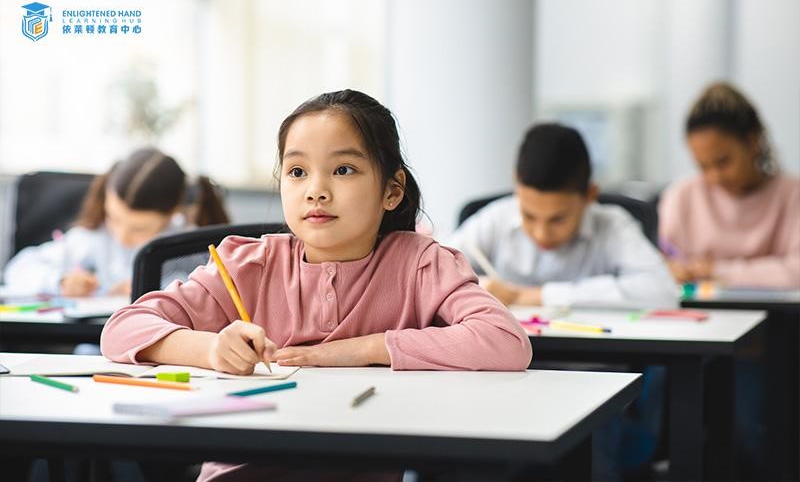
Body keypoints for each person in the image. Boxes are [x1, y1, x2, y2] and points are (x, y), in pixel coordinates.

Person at [100, 89, 532, 481]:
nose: (316, 191)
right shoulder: (247, 264)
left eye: (343, 170)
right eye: (297, 171)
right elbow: (123, 328)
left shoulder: (420, 263)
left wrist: (359, 350)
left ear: (392, 190)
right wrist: (211, 349)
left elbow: (504, 340)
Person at [447, 122, 677, 308]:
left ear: (590, 194)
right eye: (528, 215)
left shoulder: (613, 225)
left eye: (557, 219)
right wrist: (481, 287)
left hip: (595, 356)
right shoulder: (496, 218)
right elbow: (437, 275)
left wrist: (539, 296)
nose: (541, 234)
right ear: (517, 185)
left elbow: (662, 291)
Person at [4, 147, 230, 298]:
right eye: (114, 218)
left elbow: (221, 294)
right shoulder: (93, 237)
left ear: (172, 212)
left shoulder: (190, 246)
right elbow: (18, 270)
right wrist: (61, 281)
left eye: (139, 229)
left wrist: (149, 290)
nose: (121, 235)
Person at [659, 81, 800, 289]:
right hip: (700, 314)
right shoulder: (681, 196)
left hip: (778, 317)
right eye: (703, 166)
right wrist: (671, 269)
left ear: (752, 142)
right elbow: (665, 263)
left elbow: (795, 274)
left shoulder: (792, 194)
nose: (714, 178)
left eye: (723, 161)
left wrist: (716, 271)